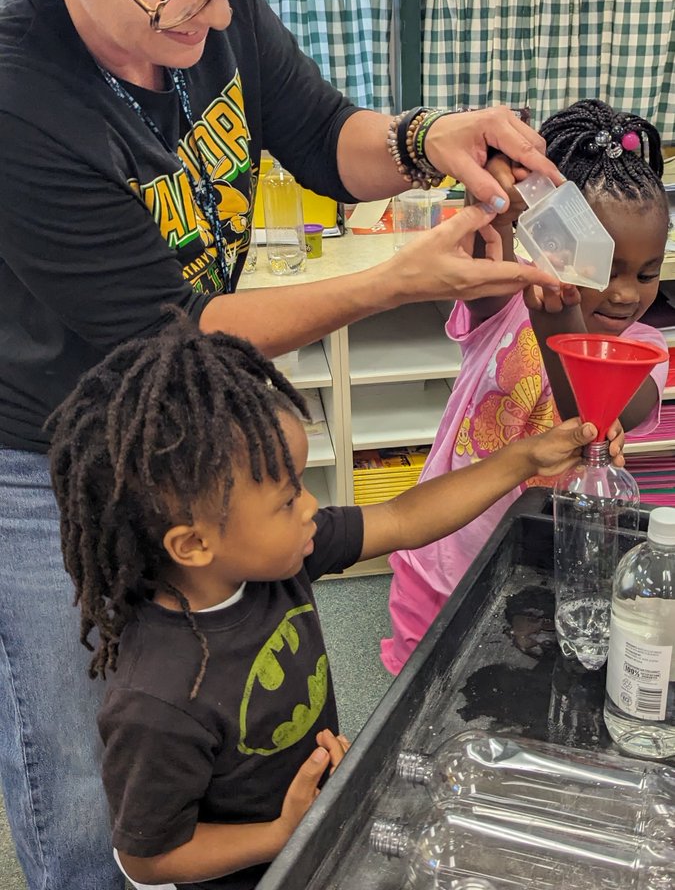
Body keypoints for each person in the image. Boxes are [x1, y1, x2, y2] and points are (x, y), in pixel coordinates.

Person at [0, 0, 571, 890]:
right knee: (87, 782)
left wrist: (428, 137)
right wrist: (396, 280)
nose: (213, 13)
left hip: (185, 420)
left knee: (231, 689)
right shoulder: (20, 99)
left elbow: (320, 136)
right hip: (45, 461)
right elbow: (169, 329)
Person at [47, 316, 624, 890]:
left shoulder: (277, 559)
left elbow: (402, 518)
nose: (309, 508)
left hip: (316, 836)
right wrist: (279, 834)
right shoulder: (157, 700)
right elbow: (147, 857)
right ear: (195, 544)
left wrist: (526, 459)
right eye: (287, 497)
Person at [382, 99, 670, 675]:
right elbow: (491, 236)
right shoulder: (505, 298)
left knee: (502, 689)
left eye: (646, 272)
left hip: (538, 567)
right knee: (414, 691)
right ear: (555, 241)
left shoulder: (647, 351)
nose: (623, 293)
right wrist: (497, 201)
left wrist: (561, 321)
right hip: (441, 549)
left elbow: (589, 412)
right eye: (606, 265)